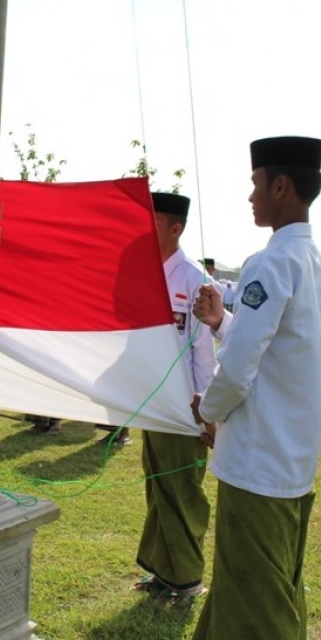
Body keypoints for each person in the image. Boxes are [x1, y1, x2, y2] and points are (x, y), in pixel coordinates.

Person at [167, 136, 321, 640]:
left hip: (258, 463)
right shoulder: (311, 260)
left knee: (255, 600)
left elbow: (239, 369)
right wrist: (223, 321)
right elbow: (276, 344)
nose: (252, 195)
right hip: (290, 460)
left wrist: (208, 412)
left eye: (258, 182)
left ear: (281, 187)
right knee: (276, 589)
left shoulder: (270, 262)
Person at [131, 192, 216, 605]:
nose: (145, 229)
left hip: (185, 407)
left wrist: (205, 411)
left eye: (154, 221)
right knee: (158, 487)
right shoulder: (143, 273)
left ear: (175, 228)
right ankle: (162, 573)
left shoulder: (194, 279)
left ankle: (187, 580)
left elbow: (204, 351)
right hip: (152, 402)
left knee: (183, 490)